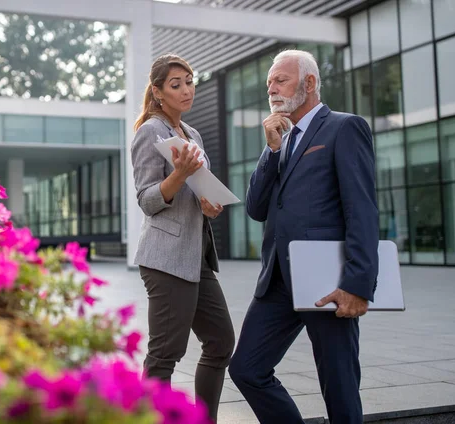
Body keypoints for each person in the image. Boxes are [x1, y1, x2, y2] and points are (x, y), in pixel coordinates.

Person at [228, 49, 379, 424]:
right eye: (269, 84)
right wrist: (271, 150)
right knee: (246, 368)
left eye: (281, 80)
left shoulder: (344, 128)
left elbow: (361, 210)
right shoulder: (281, 140)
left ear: (309, 83)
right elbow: (256, 208)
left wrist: (358, 283)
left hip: (328, 281)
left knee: (339, 385)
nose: (272, 89)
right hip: (278, 281)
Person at [130, 53, 235, 422]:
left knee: (221, 342)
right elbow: (147, 199)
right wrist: (179, 175)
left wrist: (208, 205)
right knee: (165, 355)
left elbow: (192, 193)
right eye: (176, 85)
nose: (187, 89)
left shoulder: (192, 133)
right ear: (158, 92)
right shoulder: (150, 131)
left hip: (197, 257)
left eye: (189, 81)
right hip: (166, 259)